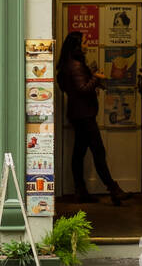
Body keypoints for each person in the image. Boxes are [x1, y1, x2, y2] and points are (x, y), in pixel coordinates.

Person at [56, 31, 131, 205]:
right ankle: (113, 189)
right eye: (84, 42)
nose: (86, 45)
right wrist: (96, 78)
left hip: (79, 114)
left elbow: (71, 88)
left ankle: (81, 191)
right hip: (84, 115)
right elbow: (82, 89)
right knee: (98, 151)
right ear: (76, 45)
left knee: (79, 153)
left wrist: (94, 78)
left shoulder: (69, 64)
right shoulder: (75, 65)